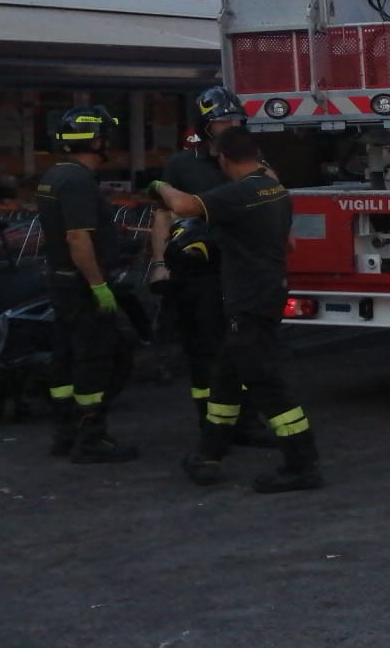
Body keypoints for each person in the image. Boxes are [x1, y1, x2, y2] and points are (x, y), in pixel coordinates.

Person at [150, 126, 322, 493]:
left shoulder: (239, 193)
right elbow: (288, 243)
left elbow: (182, 207)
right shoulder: (273, 188)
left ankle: (303, 464)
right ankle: (208, 456)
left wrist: (156, 186)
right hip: (266, 294)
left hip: (248, 301)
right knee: (225, 382)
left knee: (268, 386)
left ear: (224, 158)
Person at [148, 85, 272, 446]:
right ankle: (212, 428)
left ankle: (247, 423)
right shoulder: (181, 165)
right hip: (197, 276)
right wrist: (159, 263)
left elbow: (272, 202)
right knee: (204, 352)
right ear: (205, 127)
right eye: (223, 121)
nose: (232, 125)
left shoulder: (252, 161)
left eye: (237, 119)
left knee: (245, 349)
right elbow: (163, 214)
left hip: (240, 272)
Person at [38, 105, 139, 463]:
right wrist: (98, 285)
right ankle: (91, 438)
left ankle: (66, 433)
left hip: (61, 282)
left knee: (64, 358)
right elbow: (78, 238)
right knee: (95, 359)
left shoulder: (54, 176)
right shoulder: (79, 181)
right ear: (96, 140)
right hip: (81, 285)